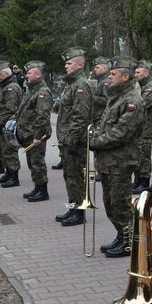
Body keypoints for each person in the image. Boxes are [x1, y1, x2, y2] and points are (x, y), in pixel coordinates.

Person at [90, 57, 146, 258]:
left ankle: (130, 242)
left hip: (121, 161)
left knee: (120, 204)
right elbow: (105, 125)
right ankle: (121, 236)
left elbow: (121, 133)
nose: (109, 77)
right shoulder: (115, 97)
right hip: (108, 161)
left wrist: (94, 142)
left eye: (113, 74)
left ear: (125, 76)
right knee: (110, 203)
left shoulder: (132, 100)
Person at [54, 47, 94, 226]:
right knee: (69, 176)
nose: (66, 66)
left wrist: (72, 139)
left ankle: (80, 212)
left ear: (79, 65)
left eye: (69, 63)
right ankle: (73, 207)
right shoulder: (72, 84)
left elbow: (80, 116)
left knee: (76, 177)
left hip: (75, 141)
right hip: (68, 139)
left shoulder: (80, 86)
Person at [16, 61, 53, 202]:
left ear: (38, 75)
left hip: (36, 134)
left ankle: (43, 191)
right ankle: (37, 188)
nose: (26, 75)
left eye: (29, 73)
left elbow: (42, 116)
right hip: (28, 133)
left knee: (38, 163)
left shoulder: (42, 92)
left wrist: (37, 136)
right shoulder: (33, 89)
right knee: (32, 163)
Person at [0, 60, 23, 188]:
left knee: (9, 150)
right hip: (1, 123)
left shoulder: (12, 88)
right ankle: (8, 173)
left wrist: (2, 123)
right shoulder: (4, 86)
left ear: (5, 74)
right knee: (3, 150)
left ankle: (14, 177)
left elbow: (10, 109)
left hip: (8, 124)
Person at [132, 60, 152, 194]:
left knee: (144, 157)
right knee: (138, 156)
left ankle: (144, 183)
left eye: (138, 72)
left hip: (146, 129)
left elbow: (141, 105)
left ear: (146, 73)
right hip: (139, 128)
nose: (135, 74)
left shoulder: (150, 88)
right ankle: (137, 181)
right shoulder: (140, 86)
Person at [90, 56, 110, 124]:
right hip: (96, 117)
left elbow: (107, 100)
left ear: (104, 68)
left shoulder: (106, 82)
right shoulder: (99, 80)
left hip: (101, 117)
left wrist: (92, 97)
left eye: (97, 67)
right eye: (95, 67)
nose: (95, 69)